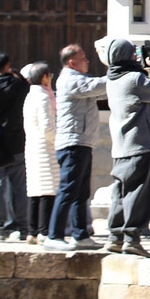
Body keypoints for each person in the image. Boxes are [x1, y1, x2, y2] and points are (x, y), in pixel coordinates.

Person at [104, 39, 150, 258]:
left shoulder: (112, 79)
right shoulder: (134, 78)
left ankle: (115, 238)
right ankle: (132, 239)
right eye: (132, 54)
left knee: (120, 193)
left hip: (121, 145)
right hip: (139, 143)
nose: (135, 57)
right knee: (139, 193)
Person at [44, 44, 107, 251]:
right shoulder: (71, 79)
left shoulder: (78, 80)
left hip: (82, 142)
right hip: (72, 143)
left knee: (80, 193)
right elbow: (95, 87)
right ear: (72, 62)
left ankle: (80, 234)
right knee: (67, 190)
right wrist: (118, 75)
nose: (87, 61)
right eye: (83, 58)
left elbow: (99, 91)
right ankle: (54, 235)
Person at [0, 51, 30, 240]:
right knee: (19, 184)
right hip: (17, 140)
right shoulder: (20, 86)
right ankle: (21, 225)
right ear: (8, 64)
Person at [21, 62, 58, 246]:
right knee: (47, 190)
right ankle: (43, 231)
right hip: (45, 146)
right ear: (44, 77)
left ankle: (32, 230)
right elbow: (47, 126)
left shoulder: (30, 96)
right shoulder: (43, 97)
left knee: (35, 190)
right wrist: (57, 139)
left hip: (33, 145)